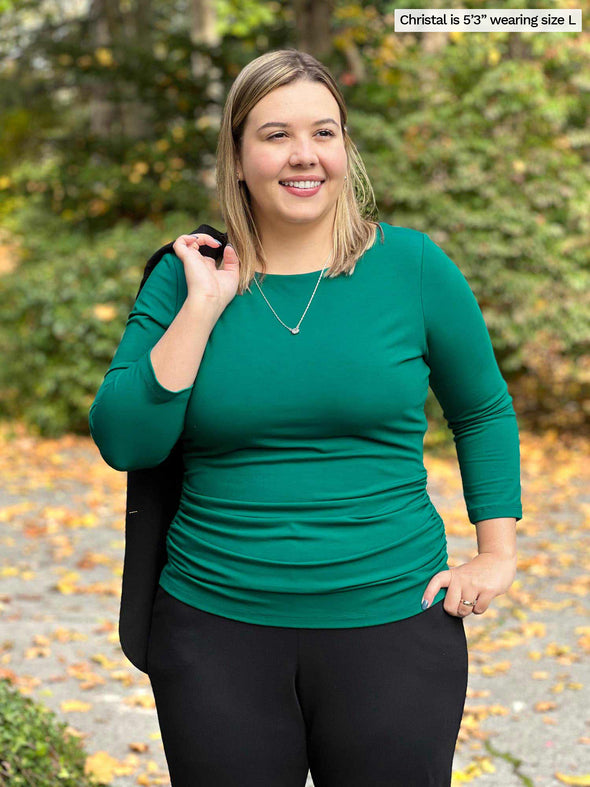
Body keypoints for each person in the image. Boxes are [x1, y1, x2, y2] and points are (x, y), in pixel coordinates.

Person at [88, 48, 522, 787]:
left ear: (345, 148)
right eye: (275, 133)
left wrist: (496, 552)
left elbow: (482, 409)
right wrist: (203, 306)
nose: (303, 155)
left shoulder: (413, 268)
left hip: (393, 624)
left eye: (324, 132)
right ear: (238, 152)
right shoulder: (183, 272)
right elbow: (127, 438)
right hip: (214, 630)